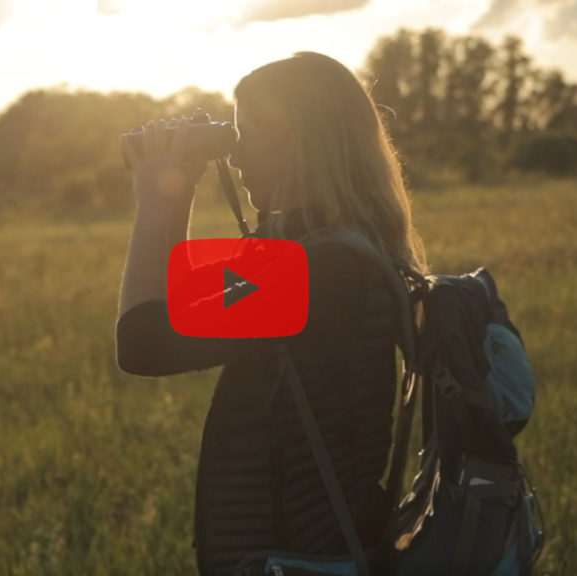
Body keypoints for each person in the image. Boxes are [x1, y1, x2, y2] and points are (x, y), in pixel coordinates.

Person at [116, 52, 428, 576]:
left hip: (300, 555)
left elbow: (144, 341)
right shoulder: (321, 256)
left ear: (301, 142)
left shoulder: (320, 271)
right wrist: (176, 188)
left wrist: (156, 196)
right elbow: (178, 306)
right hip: (303, 550)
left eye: (248, 133)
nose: (235, 158)